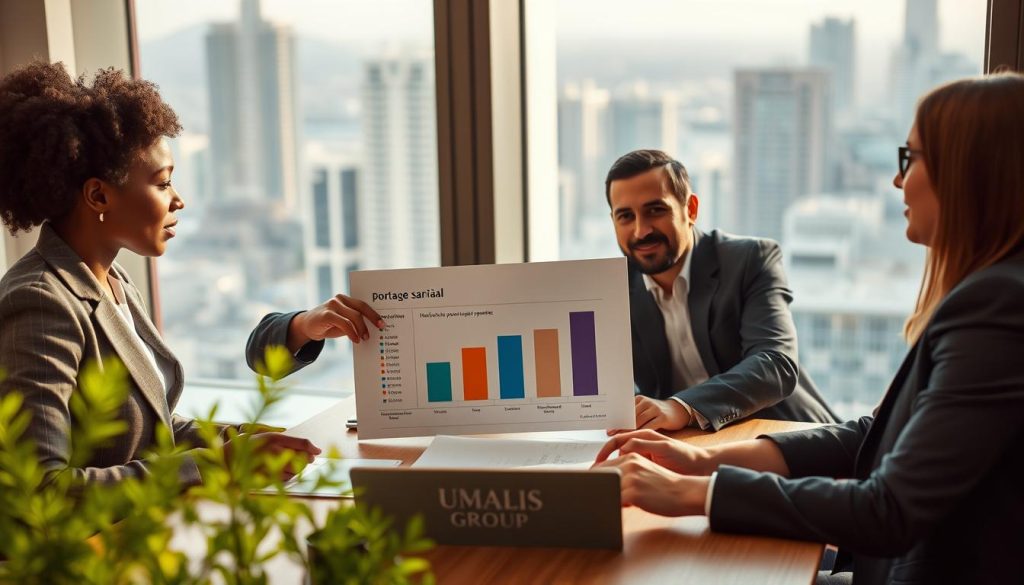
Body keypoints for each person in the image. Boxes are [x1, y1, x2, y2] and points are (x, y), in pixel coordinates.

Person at [594, 73, 1024, 585]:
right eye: (625, 216)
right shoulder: (992, 293)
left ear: (970, 171)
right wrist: (697, 463)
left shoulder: (996, 306)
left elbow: (887, 509)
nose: (896, 181)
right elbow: (874, 435)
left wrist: (693, 493)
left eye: (910, 159)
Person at [0, 62, 378, 488]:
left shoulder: (114, 283)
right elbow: (41, 489)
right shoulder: (40, 303)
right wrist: (216, 465)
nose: (178, 201)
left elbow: (153, 433)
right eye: (162, 184)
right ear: (98, 195)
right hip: (97, 551)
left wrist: (244, 442)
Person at [606, 149, 837, 433]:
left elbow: (776, 365)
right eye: (626, 216)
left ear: (690, 209)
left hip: (793, 441)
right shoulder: (611, 288)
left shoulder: (751, 259)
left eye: (656, 210)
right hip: (690, 449)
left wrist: (681, 407)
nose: (641, 231)